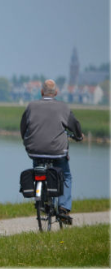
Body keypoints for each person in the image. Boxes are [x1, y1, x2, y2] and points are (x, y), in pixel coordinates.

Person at [20, 79, 83, 223]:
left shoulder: (31, 106)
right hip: (57, 151)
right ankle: (63, 208)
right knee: (66, 176)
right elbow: (75, 125)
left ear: (41, 92)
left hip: (35, 150)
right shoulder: (63, 107)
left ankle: (42, 199)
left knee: (38, 170)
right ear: (56, 93)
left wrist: (26, 140)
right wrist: (79, 136)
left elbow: (23, 127)